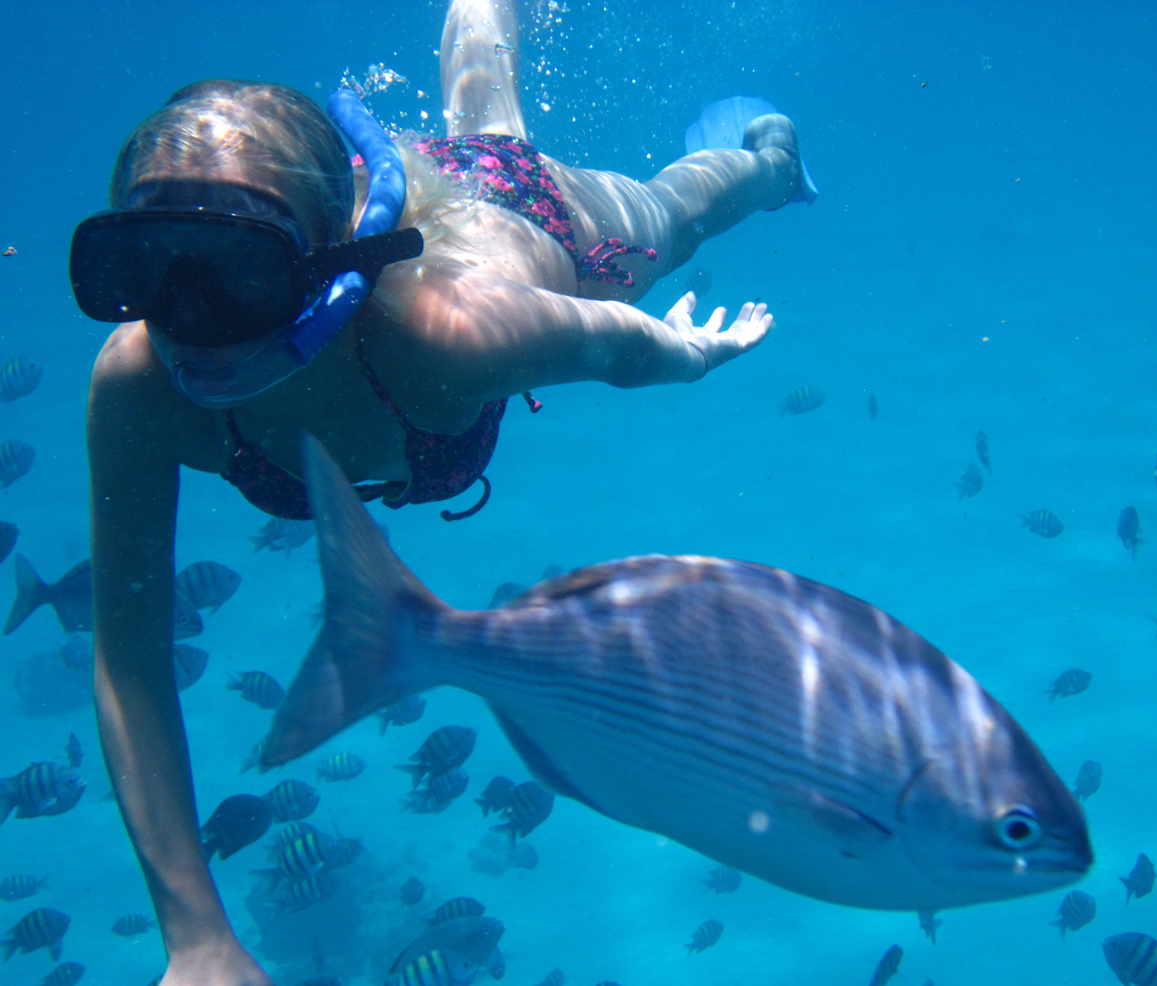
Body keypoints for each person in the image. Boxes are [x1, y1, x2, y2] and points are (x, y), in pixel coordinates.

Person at [76, 0, 811, 981]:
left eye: (237, 276)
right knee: (486, 117)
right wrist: (196, 936)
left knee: (672, 217)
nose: (191, 327)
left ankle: (769, 162)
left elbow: (617, 346)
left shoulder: (444, 339)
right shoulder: (137, 387)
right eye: (145, 268)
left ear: (326, 267)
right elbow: (129, 655)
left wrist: (695, 349)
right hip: (393, 204)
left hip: (537, 225)